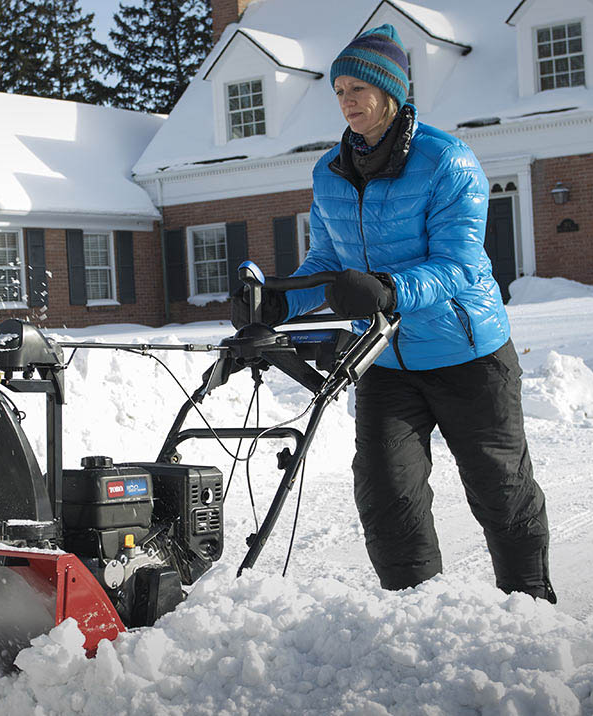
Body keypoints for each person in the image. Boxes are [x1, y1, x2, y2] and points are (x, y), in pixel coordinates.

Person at [232, 24, 556, 602]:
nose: (347, 101)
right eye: (339, 91)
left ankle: (532, 610)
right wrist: (281, 300)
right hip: (382, 359)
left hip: (468, 355)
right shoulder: (330, 171)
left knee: (500, 490)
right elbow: (329, 262)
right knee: (386, 496)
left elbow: (460, 266)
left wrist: (388, 290)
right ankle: (416, 618)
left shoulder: (447, 162)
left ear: (392, 93)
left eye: (358, 88)